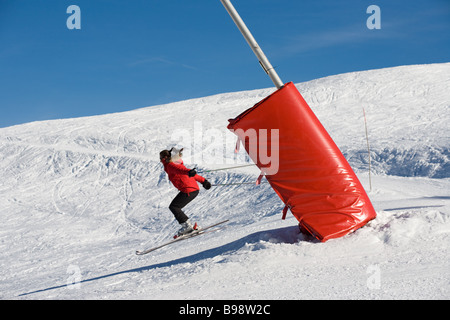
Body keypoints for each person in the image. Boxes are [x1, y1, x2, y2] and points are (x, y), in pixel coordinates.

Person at [159, 147, 212, 236]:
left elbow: (181, 171)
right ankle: (189, 226)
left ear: (164, 158)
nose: (160, 161)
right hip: (193, 190)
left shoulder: (170, 165)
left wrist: (188, 172)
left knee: (174, 207)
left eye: (160, 158)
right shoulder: (177, 164)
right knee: (175, 206)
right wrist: (203, 181)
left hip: (188, 190)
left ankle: (187, 227)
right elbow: (188, 174)